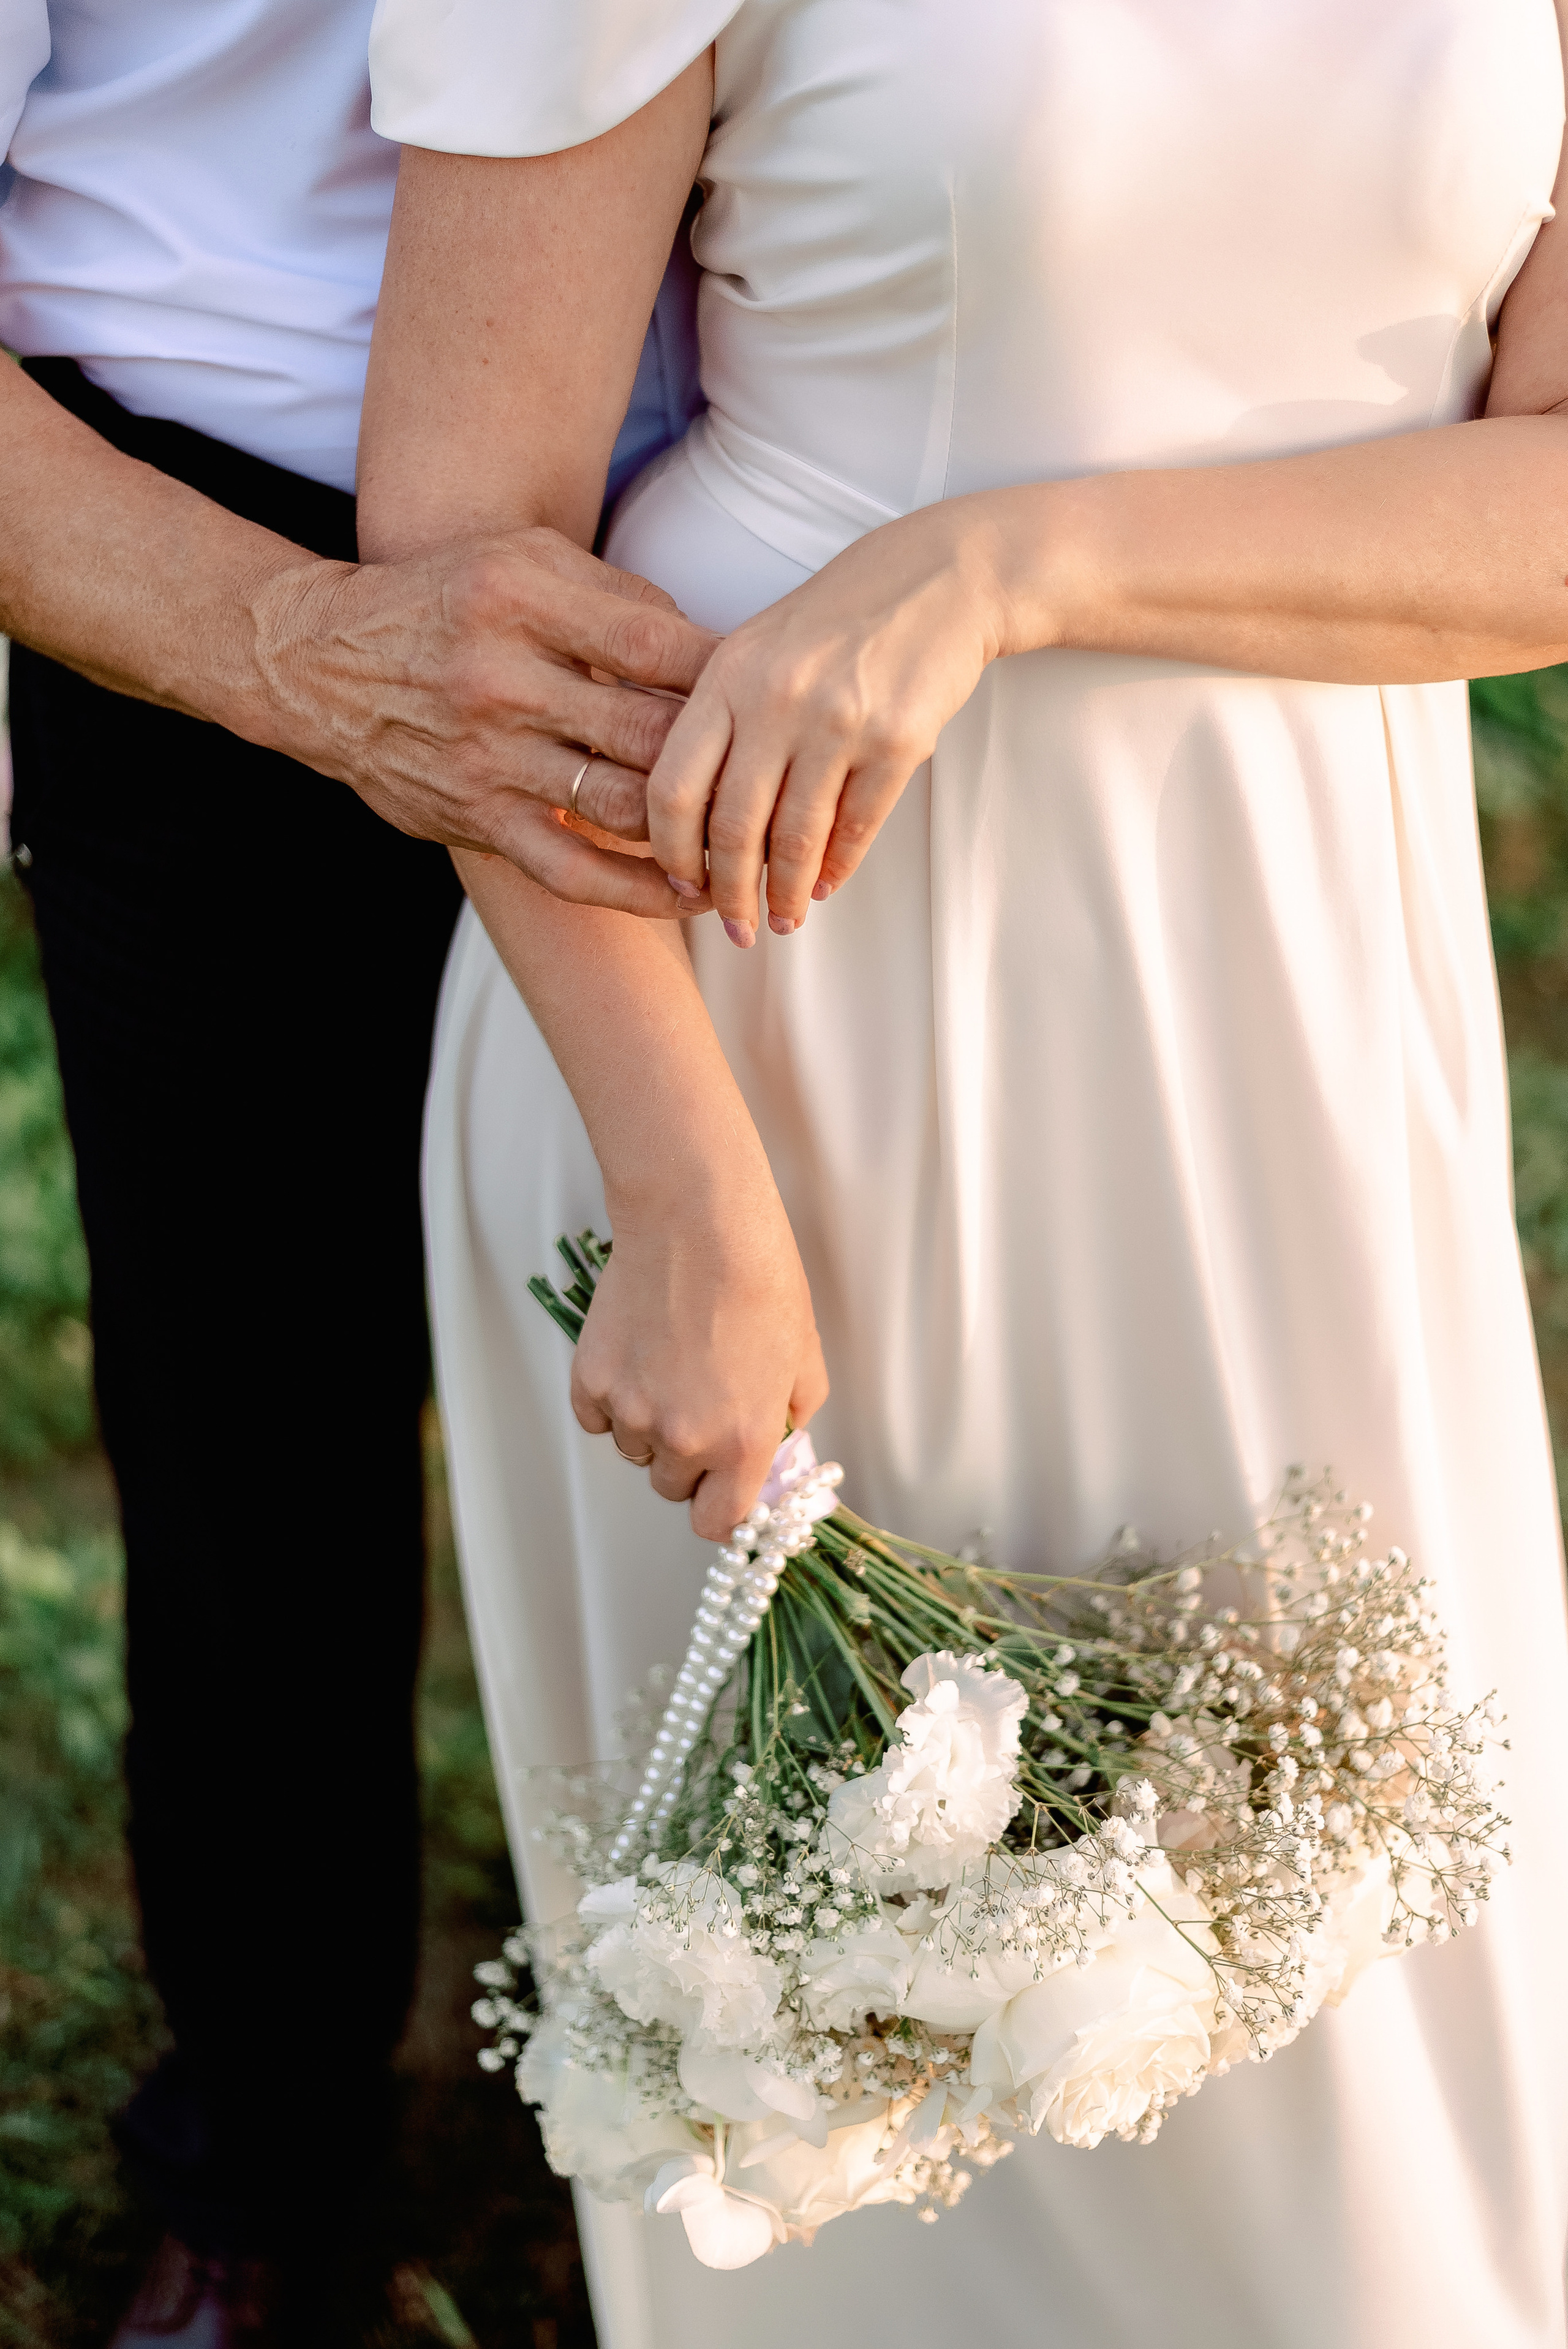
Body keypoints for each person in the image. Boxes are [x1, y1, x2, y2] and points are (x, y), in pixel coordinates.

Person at [357, 1, 1568, 2344]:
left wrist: (1012, 559)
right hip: (780, 981)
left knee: (1388, 2035)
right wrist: (685, 1194)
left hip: (1300, 967)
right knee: (862, 2055)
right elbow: (460, 557)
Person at [0, 5, 720, 2338]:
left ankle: (775, 2076)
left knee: (776, 1371)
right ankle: (276, 2155)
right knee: (255, 1449)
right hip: (217, 542)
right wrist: (292, 645)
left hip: (739, 577)